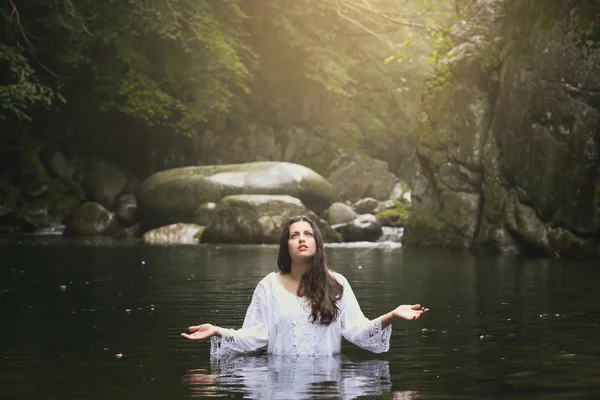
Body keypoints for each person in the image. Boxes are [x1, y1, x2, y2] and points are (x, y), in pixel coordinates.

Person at [181, 215, 428, 357]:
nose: (301, 239)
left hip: (327, 385)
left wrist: (392, 315)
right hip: (279, 386)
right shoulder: (268, 286)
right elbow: (254, 336)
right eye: (294, 235)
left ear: (317, 242)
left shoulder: (337, 284)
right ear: (285, 245)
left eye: (308, 234)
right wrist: (218, 330)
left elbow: (359, 332)